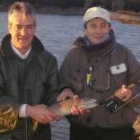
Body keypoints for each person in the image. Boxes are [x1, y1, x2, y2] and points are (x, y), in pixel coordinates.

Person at [57, 7, 140, 140]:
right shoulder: (73, 55)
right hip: (81, 131)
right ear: (85, 28)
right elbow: (60, 82)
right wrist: (64, 89)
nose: (98, 31)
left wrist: (130, 94)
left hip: (119, 131)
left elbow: (138, 84)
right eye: (93, 26)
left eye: (103, 26)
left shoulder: (124, 53)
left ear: (109, 27)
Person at [0, 2, 59, 140]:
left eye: (29, 27)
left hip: (40, 135)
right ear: (9, 27)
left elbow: (53, 94)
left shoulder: (49, 60)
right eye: (18, 27)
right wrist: (28, 110)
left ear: (35, 28)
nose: (24, 33)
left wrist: (67, 105)